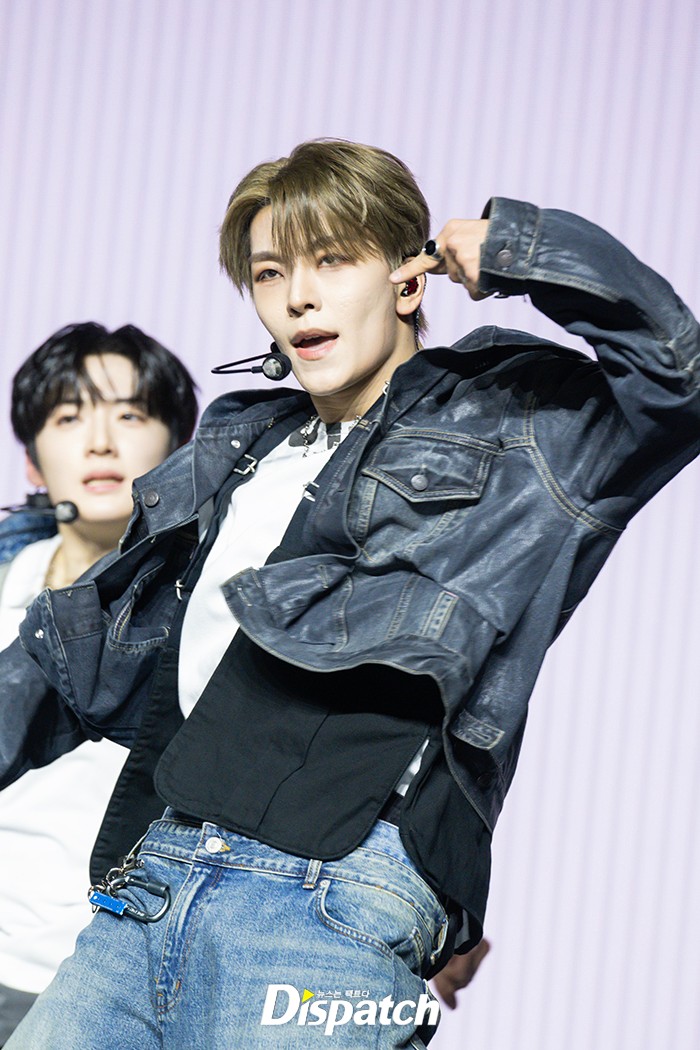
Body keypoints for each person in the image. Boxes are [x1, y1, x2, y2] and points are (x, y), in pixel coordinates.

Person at [3, 139, 700, 1048]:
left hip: (329, 901)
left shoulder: (519, 425)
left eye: (331, 260)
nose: (297, 296)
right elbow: (71, 663)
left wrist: (522, 250)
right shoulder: (235, 449)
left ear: (407, 280)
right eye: (270, 272)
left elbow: (679, 378)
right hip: (150, 887)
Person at [0, 323, 198, 1045]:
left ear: (183, 448)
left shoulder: (220, 602)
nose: (100, 443)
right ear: (32, 458)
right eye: (68, 418)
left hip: (138, 979)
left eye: (131, 415)